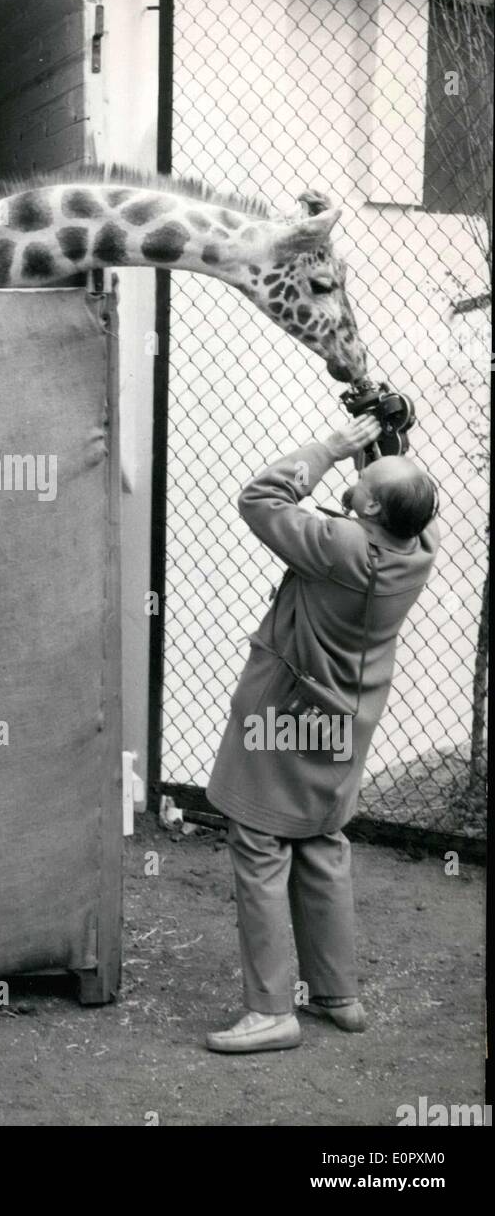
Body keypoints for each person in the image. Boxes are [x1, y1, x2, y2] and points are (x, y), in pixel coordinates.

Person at [205, 415, 441, 1053]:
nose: (360, 472)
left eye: (368, 476)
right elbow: (409, 495)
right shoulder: (418, 548)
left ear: (365, 505)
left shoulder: (339, 546)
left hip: (284, 714)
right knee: (319, 839)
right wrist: (392, 442)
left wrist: (332, 448)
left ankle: (271, 1011)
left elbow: (259, 498)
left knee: (259, 842)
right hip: (346, 718)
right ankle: (337, 994)